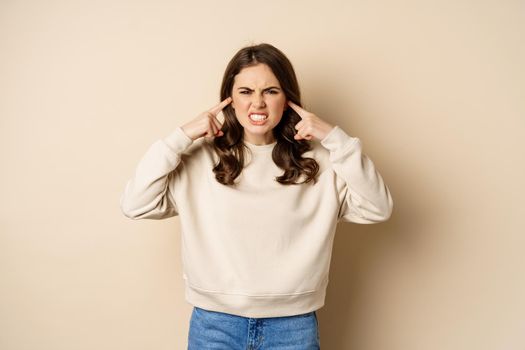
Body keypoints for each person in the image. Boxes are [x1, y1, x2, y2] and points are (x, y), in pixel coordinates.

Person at [120, 42, 393, 349]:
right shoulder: (199, 159)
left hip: (294, 326)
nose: (258, 103)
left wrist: (335, 139)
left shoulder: (323, 159)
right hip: (215, 324)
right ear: (229, 99)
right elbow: (135, 204)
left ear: (287, 98)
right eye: (246, 92)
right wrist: (179, 138)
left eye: (271, 91)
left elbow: (378, 208)